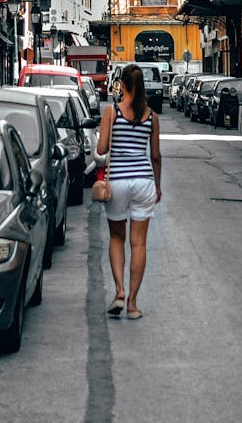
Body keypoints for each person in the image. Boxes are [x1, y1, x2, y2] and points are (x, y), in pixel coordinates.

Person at [96, 63, 161, 320]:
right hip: (144, 181)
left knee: (116, 238)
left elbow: (101, 150)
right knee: (139, 243)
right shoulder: (151, 116)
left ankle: (120, 292)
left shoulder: (112, 113)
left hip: (118, 182)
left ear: (121, 85)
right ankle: (133, 304)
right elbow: (155, 156)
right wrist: (157, 185)